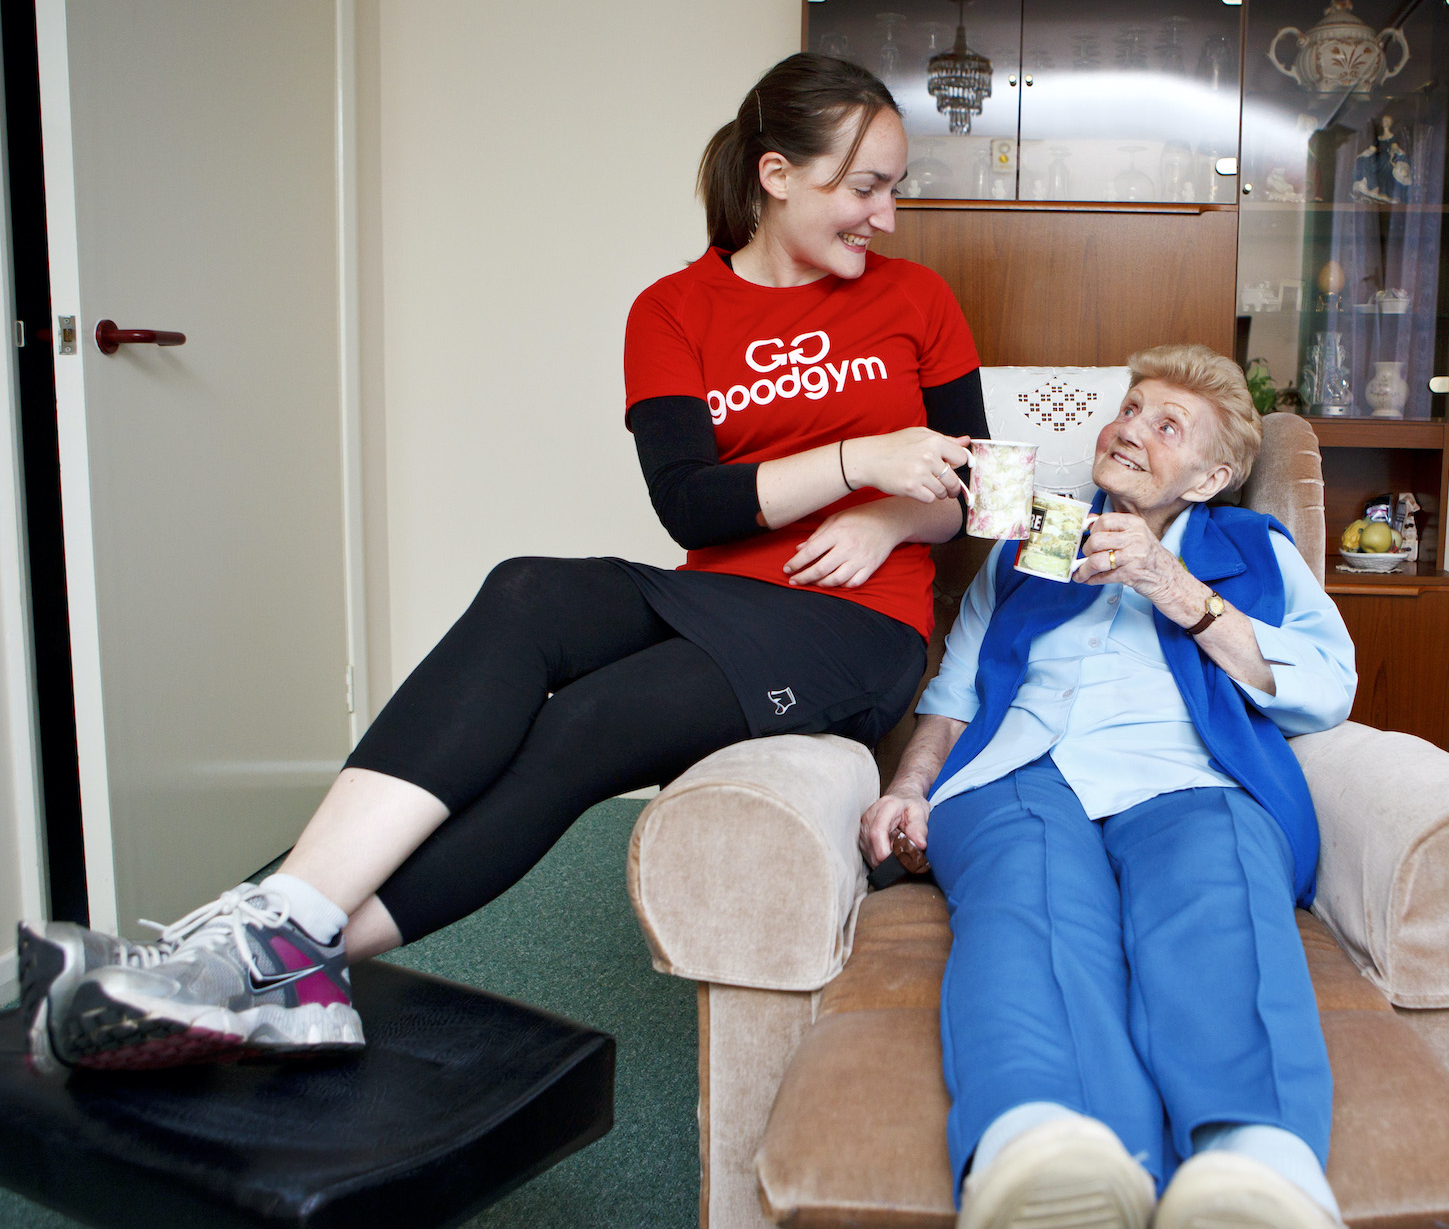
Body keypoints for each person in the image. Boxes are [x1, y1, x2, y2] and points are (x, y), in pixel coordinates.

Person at [18, 52, 986, 1073]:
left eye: (896, 190)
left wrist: (884, 515)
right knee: (528, 587)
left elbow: (982, 494)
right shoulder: (674, 309)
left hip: (858, 626)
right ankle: (276, 930)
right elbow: (688, 500)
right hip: (714, 591)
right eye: (866, 187)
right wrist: (854, 457)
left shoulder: (917, 299)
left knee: (587, 723)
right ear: (779, 174)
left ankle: (249, 953)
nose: (886, 216)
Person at [857, 345, 1357, 1229]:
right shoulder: (1041, 531)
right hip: (1021, 767)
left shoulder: (1250, 547)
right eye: (1129, 408)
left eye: (1166, 424)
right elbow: (961, 683)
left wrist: (1173, 585)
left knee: (1219, 887)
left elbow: (1326, 686)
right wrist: (912, 784)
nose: (1129, 428)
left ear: (1208, 479)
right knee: (1027, 894)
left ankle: (1258, 1167)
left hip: (1187, 771)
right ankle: (1043, 1152)